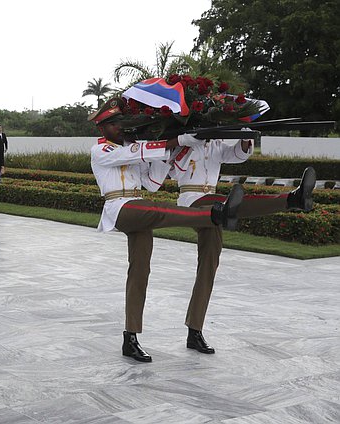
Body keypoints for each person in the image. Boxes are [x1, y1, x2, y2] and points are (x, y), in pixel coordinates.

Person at [89, 97, 247, 363]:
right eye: (114, 124)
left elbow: (151, 182)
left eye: (121, 123)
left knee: (140, 271)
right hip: (120, 209)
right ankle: (214, 214)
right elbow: (132, 154)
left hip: (139, 204)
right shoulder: (101, 150)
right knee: (157, 211)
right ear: (101, 128)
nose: (120, 127)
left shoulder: (134, 146)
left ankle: (131, 338)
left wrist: (174, 149)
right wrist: (176, 141)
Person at [168, 137, 316, 354]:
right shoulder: (186, 142)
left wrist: (246, 138)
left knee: (209, 267)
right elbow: (172, 170)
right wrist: (190, 140)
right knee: (229, 205)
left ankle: (195, 331)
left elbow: (236, 154)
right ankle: (292, 199)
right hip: (192, 200)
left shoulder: (215, 144)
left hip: (214, 204)